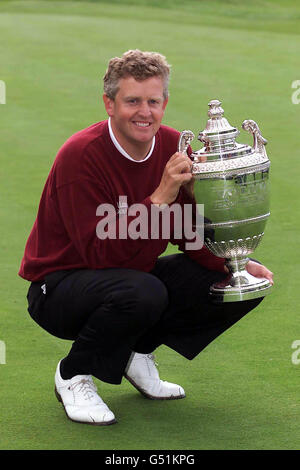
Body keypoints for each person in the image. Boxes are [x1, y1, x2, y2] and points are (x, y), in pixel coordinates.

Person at [19, 50, 273, 426]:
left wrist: (232, 263)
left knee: (239, 284)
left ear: (165, 103)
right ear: (109, 103)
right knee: (142, 291)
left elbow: (188, 231)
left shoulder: (173, 147)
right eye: (132, 101)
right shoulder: (80, 156)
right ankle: (73, 374)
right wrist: (158, 198)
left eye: (153, 101)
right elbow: (99, 253)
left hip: (132, 277)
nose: (144, 112)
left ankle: (136, 354)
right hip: (58, 289)